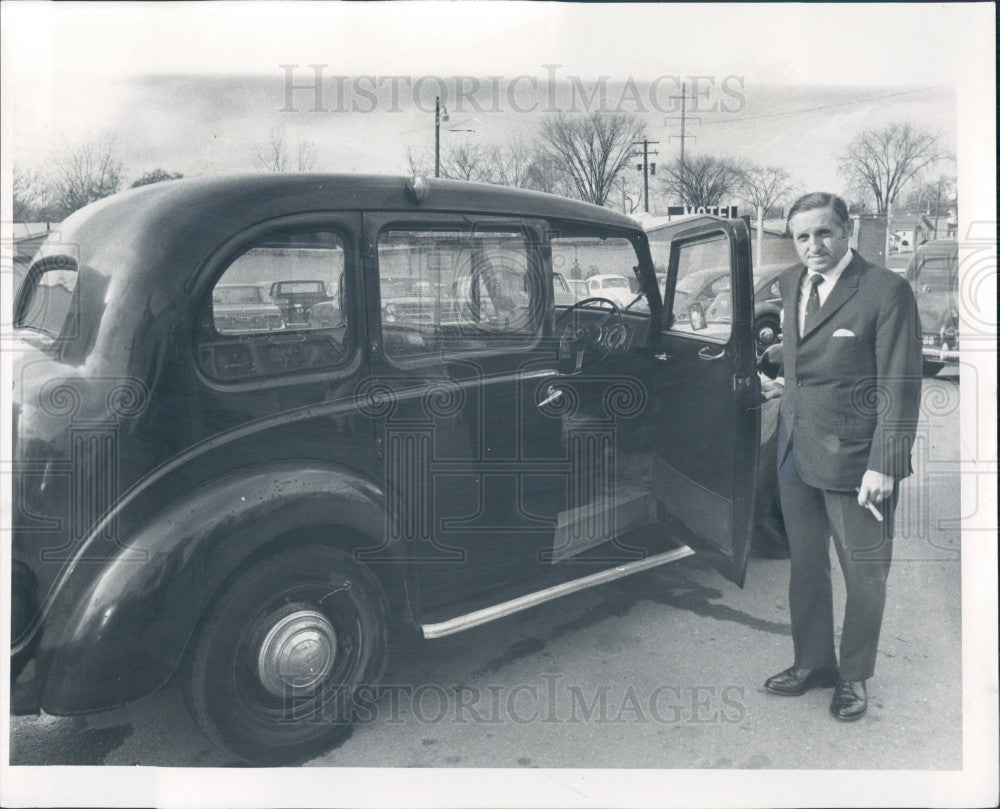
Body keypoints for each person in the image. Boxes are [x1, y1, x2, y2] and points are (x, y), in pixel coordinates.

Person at [763, 192, 922, 721]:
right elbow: (804, 352)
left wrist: (885, 462)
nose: (813, 246)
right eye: (803, 236)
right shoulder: (790, 284)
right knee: (805, 566)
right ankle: (813, 663)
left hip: (858, 461)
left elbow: (899, 382)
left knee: (864, 573)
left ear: (847, 230)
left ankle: (853, 676)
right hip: (795, 450)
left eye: (824, 233)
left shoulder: (885, 290)